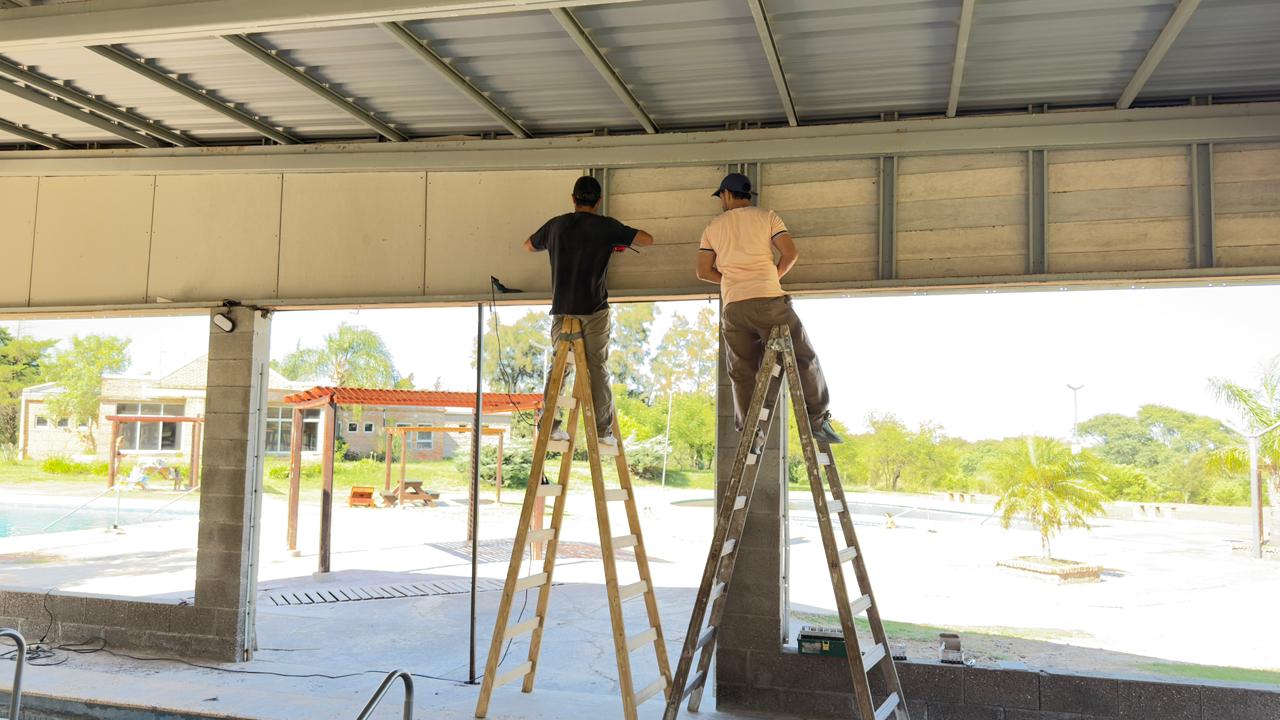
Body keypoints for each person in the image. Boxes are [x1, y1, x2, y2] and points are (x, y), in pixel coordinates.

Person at [695, 172, 842, 445]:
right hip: (769, 302)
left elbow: (703, 271)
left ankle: (751, 433)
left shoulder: (713, 227)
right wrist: (771, 276)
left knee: (742, 370)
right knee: (803, 357)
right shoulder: (767, 217)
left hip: (734, 308)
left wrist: (731, 279)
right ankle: (818, 422)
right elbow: (790, 253)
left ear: (726, 194)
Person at [525, 175, 654, 445]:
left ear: (573, 199)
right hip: (594, 310)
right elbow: (646, 239)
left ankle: (550, 425)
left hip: (562, 310)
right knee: (597, 367)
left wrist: (558, 245)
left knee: (558, 369)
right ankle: (604, 432)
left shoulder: (556, 225)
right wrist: (613, 241)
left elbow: (528, 245)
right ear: (599, 201)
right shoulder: (605, 226)